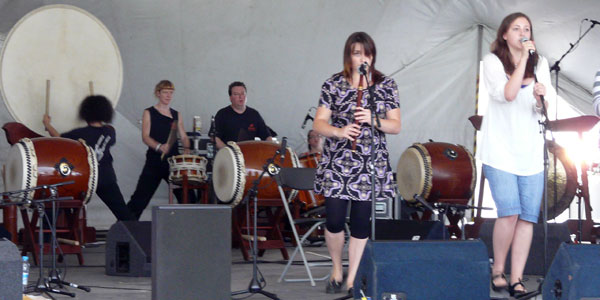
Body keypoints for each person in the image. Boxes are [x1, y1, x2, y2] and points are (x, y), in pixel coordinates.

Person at [312, 32, 401, 295]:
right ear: (348, 56)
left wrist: (374, 119)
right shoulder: (333, 84)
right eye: (357, 52)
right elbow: (319, 122)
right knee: (335, 218)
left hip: (369, 162)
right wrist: (338, 132)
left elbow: (395, 126)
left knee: (362, 221)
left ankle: (352, 277)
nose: (363, 58)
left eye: (367, 53)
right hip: (338, 160)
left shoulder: (385, 85)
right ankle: (337, 269)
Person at [478, 12, 554, 296]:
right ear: (505, 35)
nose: (523, 32)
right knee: (509, 213)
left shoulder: (542, 63)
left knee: (527, 218)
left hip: (531, 151)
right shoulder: (492, 62)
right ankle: (498, 269)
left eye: (527, 28)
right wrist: (524, 59)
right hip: (500, 150)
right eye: (517, 28)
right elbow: (506, 94)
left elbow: (545, 111)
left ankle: (517, 278)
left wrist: (539, 99)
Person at [43, 95, 135, 221]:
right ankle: (137, 237)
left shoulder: (80, 134)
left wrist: (48, 125)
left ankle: (46, 237)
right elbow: (107, 131)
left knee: (57, 203)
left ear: (86, 113)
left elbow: (60, 140)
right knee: (123, 212)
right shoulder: (110, 133)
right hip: (107, 178)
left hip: (86, 179)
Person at [127, 80, 196, 220]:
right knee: (140, 198)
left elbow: (183, 136)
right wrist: (159, 146)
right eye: (165, 92)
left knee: (188, 197)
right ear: (158, 93)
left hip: (174, 163)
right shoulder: (149, 112)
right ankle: (124, 231)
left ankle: (191, 229)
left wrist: (187, 148)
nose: (168, 95)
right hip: (154, 161)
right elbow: (145, 137)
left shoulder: (177, 115)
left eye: (171, 93)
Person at [214, 81, 272, 149]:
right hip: (228, 156)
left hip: (250, 156)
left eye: (243, 93)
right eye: (236, 94)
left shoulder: (254, 114)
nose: (240, 97)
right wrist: (228, 153)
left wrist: (269, 150)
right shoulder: (222, 114)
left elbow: (267, 137)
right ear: (230, 98)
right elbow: (216, 139)